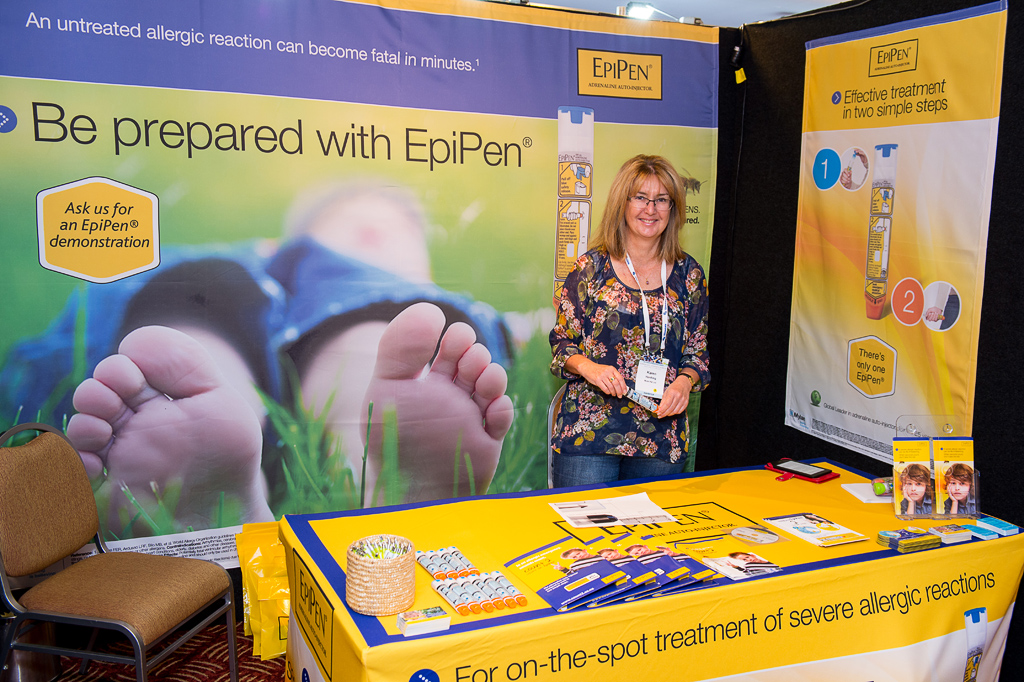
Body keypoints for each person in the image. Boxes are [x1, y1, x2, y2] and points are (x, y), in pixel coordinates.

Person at [1, 183, 515, 536]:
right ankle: (204, 431)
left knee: (373, 331)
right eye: (350, 219)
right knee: (193, 302)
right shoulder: (257, 260)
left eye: (396, 227)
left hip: (361, 308)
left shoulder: (379, 284)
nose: (373, 229)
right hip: (222, 286)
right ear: (285, 244)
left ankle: (374, 470)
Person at [549, 154, 709, 487]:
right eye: (640, 197)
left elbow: (698, 353)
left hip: (661, 437)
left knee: (651, 523)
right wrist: (591, 369)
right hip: (590, 434)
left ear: (673, 208)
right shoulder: (590, 269)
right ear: (622, 203)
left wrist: (684, 383)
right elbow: (562, 344)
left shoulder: (689, 274)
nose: (651, 209)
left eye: (661, 199)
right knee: (586, 523)